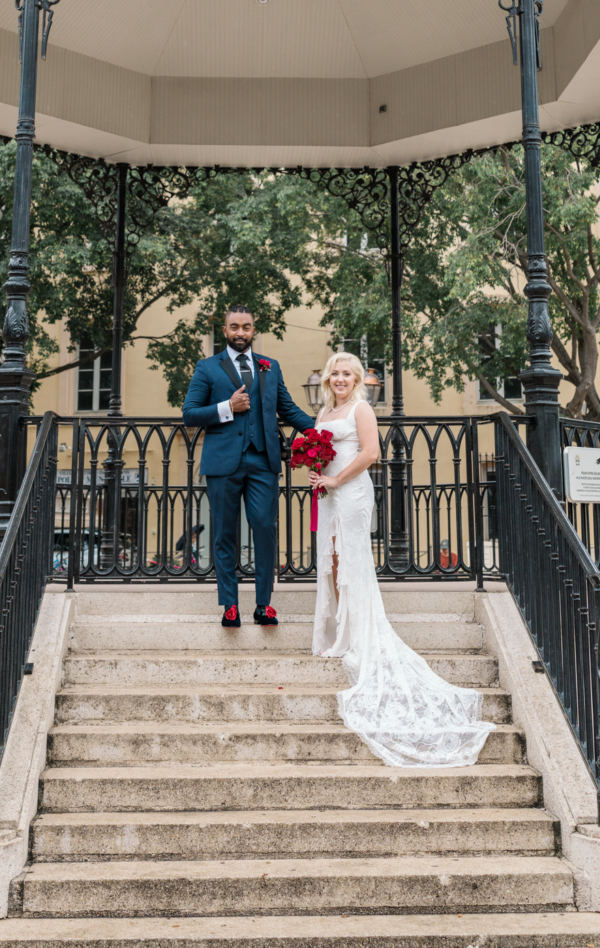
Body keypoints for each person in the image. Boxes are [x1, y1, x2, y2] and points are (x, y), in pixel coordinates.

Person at [308, 351, 494, 767]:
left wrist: (336, 477)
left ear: (358, 379)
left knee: (352, 560)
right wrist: (317, 469)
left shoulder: (361, 410)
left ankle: (353, 637)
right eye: (334, 373)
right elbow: (325, 451)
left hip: (351, 493)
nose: (340, 379)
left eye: (347, 374)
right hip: (329, 493)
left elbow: (370, 453)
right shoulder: (323, 412)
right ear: (327, 378)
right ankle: (339, 630)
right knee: (333, 561)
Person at [182, 304, 314, 628]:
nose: (241, 332)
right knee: (224, 533)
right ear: (224, 331)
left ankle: (263, 605)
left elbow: (288, 408)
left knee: (265, 528)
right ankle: (229, 604)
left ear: (254, 330)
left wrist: (322, 430)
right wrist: (228, 406)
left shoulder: (270, 367)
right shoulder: (207, 367)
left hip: (263, 460)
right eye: (235, 327)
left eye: (247, 326)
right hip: (222, 462)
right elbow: (189, 413)